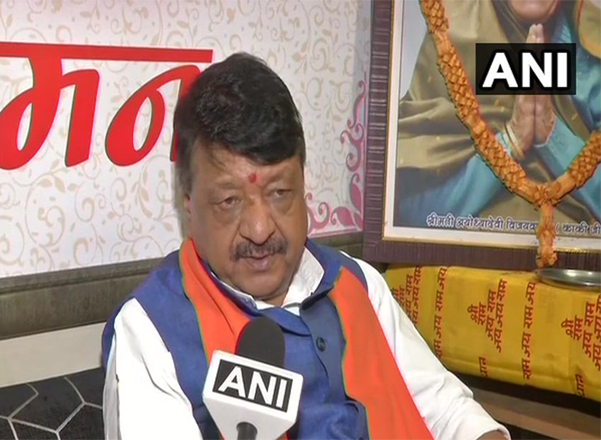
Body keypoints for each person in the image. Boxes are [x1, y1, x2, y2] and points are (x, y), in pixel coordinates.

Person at [101, 52, 510, 439]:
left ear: (304, 186)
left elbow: (444, 409)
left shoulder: (359, 283)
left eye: (279, 193)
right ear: (189, 204)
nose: (260, 229)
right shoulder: (151, 331)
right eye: (229, 201)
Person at [394, 0, 600, 229]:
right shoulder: (452, 32)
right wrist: (511, 141)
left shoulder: (591, 41)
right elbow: (410, 209)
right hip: (466, 249)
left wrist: (552, 134)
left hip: (566, 249)